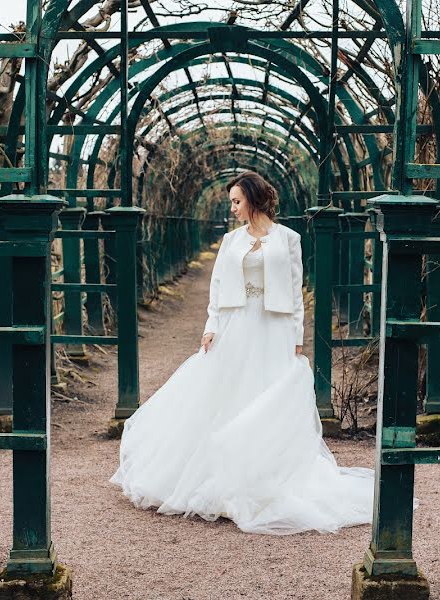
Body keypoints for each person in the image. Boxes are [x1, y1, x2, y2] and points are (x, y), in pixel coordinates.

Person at [109, 171, 373, 535]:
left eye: (236, 201)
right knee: (228, 393)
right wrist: (210, 327)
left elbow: (296, 291)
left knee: (270, 394)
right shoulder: (231, 241)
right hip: (236, 324)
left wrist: (297, 336)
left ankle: (268, 475)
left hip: (275, 326)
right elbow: (217, 288)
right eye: (230, 202)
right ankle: (225, 478)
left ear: (253, 199)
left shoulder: (290, 239)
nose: (232, 208)